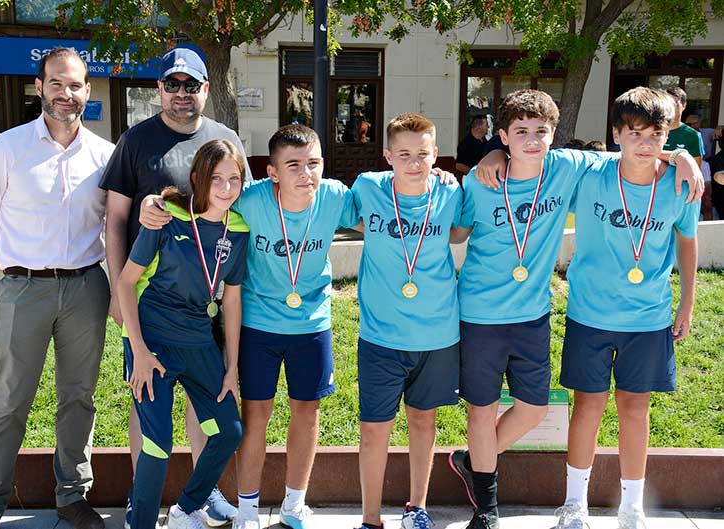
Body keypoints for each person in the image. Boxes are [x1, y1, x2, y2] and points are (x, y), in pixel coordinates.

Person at [450, 89, 704, 529]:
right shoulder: (516, 177)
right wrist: (490, 153)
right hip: (532, 313)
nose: (532, 139)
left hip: (607, 316)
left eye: (541, 132)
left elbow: (641, 154)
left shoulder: (602, 173)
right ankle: (529, 507)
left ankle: (629, 507)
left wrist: (679, 153)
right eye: (521, 133)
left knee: (594, 409)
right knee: (541, 407)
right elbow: (460, 225)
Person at [0, 47, 114, 529]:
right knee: (9, 398)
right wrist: (16, 268)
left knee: (79, 396)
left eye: (75, 85)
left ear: (87, 92)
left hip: (87, 289)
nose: (65, 94)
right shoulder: (3, 151)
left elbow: (112, 228)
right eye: (56, 83)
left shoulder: (104, 157)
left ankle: (72, 496)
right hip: (23, 289)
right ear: (39, 87)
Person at [99, 47, 249, 528]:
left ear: (206, 88)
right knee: (150, 414)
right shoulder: (136, 140)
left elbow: (247, 195)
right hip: (152, 304)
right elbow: (117, 219)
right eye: (173, 85)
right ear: (160, 88)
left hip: (204, 306)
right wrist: (121, 302)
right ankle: (140, 502)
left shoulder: (225, 138)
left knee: (208, 410)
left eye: (192, 85)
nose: (182, 94)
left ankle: (196, 500)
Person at [552, 87, 699, 529]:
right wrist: (491, 158)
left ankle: (631, 506)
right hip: (589, 315)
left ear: (667, 134)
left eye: (655, 134)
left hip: (648, 318)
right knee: (588, 406)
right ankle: (574, 504)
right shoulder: (592, 173)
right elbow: (536, 153)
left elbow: (687, 247)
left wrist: (687, 304)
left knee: (636, 409)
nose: (644, 142)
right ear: (616, 134)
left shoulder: (679, 186)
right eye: (633, 132)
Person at [228, 125, 359, 529]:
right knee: (256, 414)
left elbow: (386, 199)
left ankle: (294, 505)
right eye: (294, 165)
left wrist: (437, 175)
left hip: (311, 323)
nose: (307, 173)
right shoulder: (250, 202)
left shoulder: (335, 196)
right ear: (272, 172)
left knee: (307, 409)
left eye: (314, 163)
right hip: (258, 323)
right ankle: (247, 510)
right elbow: (203, 206)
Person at [351, 112, 463, 529]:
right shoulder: (367, 187)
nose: (414, 163)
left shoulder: (451, 193)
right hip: (380, 334)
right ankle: (370, 518)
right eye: (404, 154)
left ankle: (417, 507)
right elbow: (344, 215)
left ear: (436, 154)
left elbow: (459, 232)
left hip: (436, 333)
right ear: (387, 156)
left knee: (423, 420)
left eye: (422, 154)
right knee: (373, 429)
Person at [664, 87, 704, 168]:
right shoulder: (654, 131)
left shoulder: (693, 135)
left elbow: (696, 170)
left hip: (679, 180)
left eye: (674, 103)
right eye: (667, 103)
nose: (670, 108)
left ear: (684, 105)